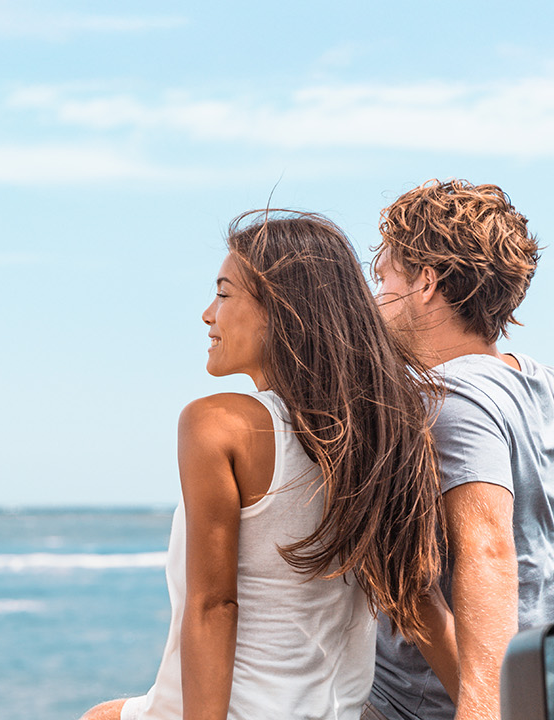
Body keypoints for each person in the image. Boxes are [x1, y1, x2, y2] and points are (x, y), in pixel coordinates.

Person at [82, 210, 450, 720]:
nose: (208, 314)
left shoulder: (218, 424)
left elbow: (214, 608)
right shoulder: (379, 438)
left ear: (282, 310)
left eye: (224, 294)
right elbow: (417, 598)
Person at [366, 180, 554, 720]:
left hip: (418, 709)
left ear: (426, 283)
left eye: (384, 277)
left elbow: (486, 550)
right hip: (536, 695)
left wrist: (485, 713)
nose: (374, 300)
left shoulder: (448, 396)